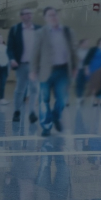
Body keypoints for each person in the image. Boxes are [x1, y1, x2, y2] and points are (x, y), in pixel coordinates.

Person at [31, 7, 78, 136]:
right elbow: (35, 53)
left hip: (63, 70)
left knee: (62, 99)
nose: (53, 17)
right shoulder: (40, 33)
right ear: (45, 18)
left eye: (54, 15)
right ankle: (46, 126)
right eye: (50, 16)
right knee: (43, 100)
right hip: (45, 71)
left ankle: (56, 116)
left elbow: (74, 51)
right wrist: (33, 70)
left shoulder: (68, 32)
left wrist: (75, 67)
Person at [8, 8, 42, 123]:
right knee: (20, 89)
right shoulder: (15, 30)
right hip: (21, 64)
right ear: (21, 16)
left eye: (30, 13)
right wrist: (12, 59)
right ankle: (17, 111)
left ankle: (32, 112)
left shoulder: (38, 29)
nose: (29, 15)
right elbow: (10, 48)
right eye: (26, 14)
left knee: (34, 89)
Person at [82, 38, 101, 106]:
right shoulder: (93, 49)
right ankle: (94, 100)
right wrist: (86, 68)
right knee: (94, 85)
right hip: (93, 67)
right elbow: (87, 59)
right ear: (99, 42)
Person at [74, 39, 91, 106]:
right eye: (85, 43)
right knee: (79, 84)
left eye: (87, 43)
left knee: (85, 84)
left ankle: (82, 98)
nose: (87, 45)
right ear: (81, 44)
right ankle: (79, 99)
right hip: (79, 69)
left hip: (87, 70)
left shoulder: (88, 51)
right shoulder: (77, 51)